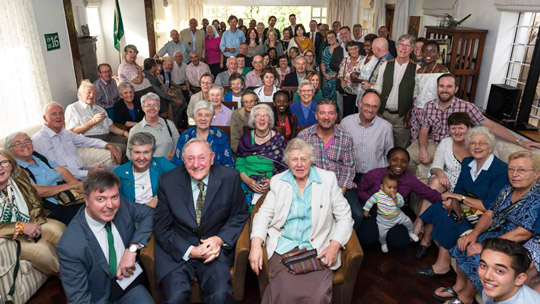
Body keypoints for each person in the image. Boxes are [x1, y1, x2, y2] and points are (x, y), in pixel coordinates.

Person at [249, 138, 354, 303]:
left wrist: (334, 245)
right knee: (284, 292)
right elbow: (263, 215)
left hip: (318, 248)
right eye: (294, 159)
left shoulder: (327, 179)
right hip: (284, 247)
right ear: (287, 162)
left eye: (303, 159)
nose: (299, 164)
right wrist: (256, 245)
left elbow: (345, 216)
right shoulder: (278, 181)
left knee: (317, 295)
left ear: (311, 160)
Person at [432, 151, 540, 303]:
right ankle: (458, 287)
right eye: (511, 169)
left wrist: (486, 246)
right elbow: (490, 213)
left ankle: (465, 297)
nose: (514, 174)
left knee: (481, 258)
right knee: (464, 243)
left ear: (536, 174)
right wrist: (474, 234)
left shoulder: (537, 197)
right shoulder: (508, 188)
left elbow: (522, 234)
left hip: (514, 243)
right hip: (496, 231)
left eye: (521, 170)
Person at [154, 138, 248, 303]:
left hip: (214, 252)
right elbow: (162, 227)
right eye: (190, 159)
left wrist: (219, 240)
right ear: (183, 161)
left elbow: (239, 214)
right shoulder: (167, 182)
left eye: (202, 158)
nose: (196, 164)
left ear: (212, 158)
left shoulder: (230, 177)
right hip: (178, 251)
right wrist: (190, 250)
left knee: (220, 294)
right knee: (176, 296)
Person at [418, 126, 510, 279]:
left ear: (490, 147)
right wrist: (454, 200)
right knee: (441, 207)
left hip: (485, 216)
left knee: (450, 217)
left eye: (482, 143)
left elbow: (489, 205)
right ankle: (436, 256)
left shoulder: (501, 169)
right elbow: (459, 188)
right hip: (466, 207)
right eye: (473, 143)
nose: (477, 147)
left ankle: (441, 264)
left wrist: (460, 199)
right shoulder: (468, 162)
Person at [407, 74, 540, 178]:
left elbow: (491, 127)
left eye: (449, 86)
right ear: (437, 88)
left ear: (456, 89)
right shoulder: (429, 106)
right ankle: (414, 185)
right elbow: (423, 132)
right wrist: (423, 149)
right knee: (407, 157)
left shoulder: (467, 107)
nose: (444, 90)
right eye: (441, 86)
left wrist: (520, 141)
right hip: (434, 143)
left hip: (457, 146)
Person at [57, 171, 154, 303]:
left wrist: (132, 249)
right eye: (100, 199)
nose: (110, 205)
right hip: (99, 298)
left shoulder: (121, 205)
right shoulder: (71, 245)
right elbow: (79, 300)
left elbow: (150, 214)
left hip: (128, 284)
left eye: (114, 197)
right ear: (86, 200)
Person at [357, 147, 442, 249]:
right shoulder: (375, 174)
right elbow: (360, 191)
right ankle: (379, 235)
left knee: (401, 243)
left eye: (403, 161)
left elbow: (428, 192)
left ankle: (384, 234)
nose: (399, 164)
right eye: (394, 160)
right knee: (367, 239)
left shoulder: (409, 179)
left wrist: (447, 199)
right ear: (388, 160)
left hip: (392, 215)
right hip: (372, 212)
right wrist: (376, 201)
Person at [297, 99, 362, 231]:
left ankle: (346, 247)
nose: (326, 117)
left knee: (357, 215)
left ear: (336, 116)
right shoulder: (304, 136)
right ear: (316, 116)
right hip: (312, 187)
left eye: (331, 113)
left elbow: (348, 168)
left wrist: (338, 194)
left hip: (339, 187)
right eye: (322, 113)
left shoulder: (346, 138)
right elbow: (299, 166)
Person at [0, 149, 65, 275]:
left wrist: (34, 223)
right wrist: (21, 227)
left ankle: (81, 266)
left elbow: (35, 201)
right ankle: (70, 279)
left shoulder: (19, 177)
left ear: (11, 164)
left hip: (30, 220)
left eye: (4, 162)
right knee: (41, 251)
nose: (0, 168)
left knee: (57, 229)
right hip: (7, 236)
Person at [414, 112, 471, 255]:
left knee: (438, 203)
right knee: (435, 181)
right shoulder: (446, 143)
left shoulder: (476, 145)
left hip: (466, 189)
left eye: (461, 128)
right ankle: (420, 222)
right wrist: (440, 173)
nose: (456, 132)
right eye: (453, 128)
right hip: (448, 181)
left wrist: (455, 196)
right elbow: (435, 166)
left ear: (469, 128)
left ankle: (425, 239)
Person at [6, 132, 84, 225]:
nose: (24, 145)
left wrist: (77, 186)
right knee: (84, 216)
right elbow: (37, 191)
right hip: (52, 204)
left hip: (69, 193)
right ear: (11, 150)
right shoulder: (16, 169)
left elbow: (62, 170)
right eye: (18, 143)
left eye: (27, 141)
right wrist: (70, 185)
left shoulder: (36, 155)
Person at [33, 103, 121, 179]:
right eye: (53, 114)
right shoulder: (41, 139)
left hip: (82, 170)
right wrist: (87, 173)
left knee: (120, 170)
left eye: (61, 113)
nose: (58, 116)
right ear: (45, 118)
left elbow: (86, 141)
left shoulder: (65, 132)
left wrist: (108, 145)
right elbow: (58, 169)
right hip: (70, 178)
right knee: (110, 179)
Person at [365, 34, 418, 148]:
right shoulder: (385, 65)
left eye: (407, 46)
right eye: (401, 45)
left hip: (402, 118)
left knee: (400, 148)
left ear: (412, 49)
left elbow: (416, 95)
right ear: (397, 46)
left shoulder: (416, 69)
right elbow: (378, 88)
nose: (403, 48)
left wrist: (409, 112)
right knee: (380, 145)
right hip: (383, 114)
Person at [236, 104, 287, 207]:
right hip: (247, 180)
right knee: (242, 208)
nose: (262, 119)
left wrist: (272, 181)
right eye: (258, 115)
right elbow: (239, 164)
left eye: (265, 116)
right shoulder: (245, 138)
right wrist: (248, 181)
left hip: (272, 181)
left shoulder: (278, 140)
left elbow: (285, 167)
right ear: (253, 119)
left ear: (270, 120)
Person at [341, 90, 393, 181]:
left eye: (374, 107)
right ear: (360, 104)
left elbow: (389, 155)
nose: (370, 110)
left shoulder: (386, 127)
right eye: (367, 105)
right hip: (350, 176)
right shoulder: (346, 123)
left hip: (376, 177)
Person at [114, 132, 176, 207]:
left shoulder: (161, 163)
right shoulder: (119, 172)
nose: (141, 158)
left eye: (146, 152)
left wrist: (160, 196)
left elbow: (181, 178)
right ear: (130, 153)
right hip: (132, 215)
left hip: (158, 213)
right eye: (137, 152)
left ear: (152, 153)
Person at [65, 81, 128, 152]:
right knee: (122, 148)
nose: (92, 95)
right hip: (89, 140)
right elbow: (71, 133)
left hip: (107, 136)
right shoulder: (73, 108)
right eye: (89, 92)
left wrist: (124, 132)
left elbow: (110, 126)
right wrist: (91, 122)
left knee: (131, 141)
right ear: (79, 95)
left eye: (94, 93)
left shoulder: (100, 109)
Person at [363, 174, 419, 252]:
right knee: (382, 234)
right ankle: (383, 243)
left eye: (395, 188)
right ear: (382, 187)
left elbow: (401, 204)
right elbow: (370, 201)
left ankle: (410, 233)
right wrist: (366, 210)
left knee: (409, 222)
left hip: (398, 216)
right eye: (389, 187)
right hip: (383, 221)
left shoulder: (398, 195)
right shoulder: (378, 195)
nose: (392, 190)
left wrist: (396, 199)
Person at [173, 101, 234, 168]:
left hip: (216, 177)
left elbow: (228, 163)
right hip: (189, 176)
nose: (203, 118)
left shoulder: (220, 136)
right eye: (199, 115)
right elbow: (177, 163)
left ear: (212, 118)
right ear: (194, 117)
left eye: (207, 115)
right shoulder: (185, 136)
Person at [410, 40, 449, 142]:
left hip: (433, 112)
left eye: (432, 51)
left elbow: (447, 94)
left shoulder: (442, 71)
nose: (428, 54)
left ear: (438, 54)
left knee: (430, 141)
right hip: (417, 111)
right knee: (415, 141)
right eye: (425, 51)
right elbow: (416, 92)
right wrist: (411, 110)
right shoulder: (419, 71)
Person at [481, 238, 540, 303]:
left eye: (499, 271)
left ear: (519, 279)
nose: (486, 276)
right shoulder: (493, 288)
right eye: (483, 266)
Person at [128, 93, 179, 160]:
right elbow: (129, 154)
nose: (152, 108)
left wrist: (170, 159)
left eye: (155, 105)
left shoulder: (169, 125)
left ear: (159, 107)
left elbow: (178, 145)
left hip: (170, 166)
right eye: (148, 105)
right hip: (147, 168)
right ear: (143, 108)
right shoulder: (136, 130)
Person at [338, 41, 364, 117]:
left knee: (358, 114)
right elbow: (341, 73)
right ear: (348, 51)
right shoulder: (345, 60)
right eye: (351, 49)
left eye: (355, 48)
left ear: (358, 48)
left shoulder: (364, 60)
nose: (353, 51)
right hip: (348, 91)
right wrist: (342, 81)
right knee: (347, 113)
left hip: (359, 92)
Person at [352, 33, 378, 103]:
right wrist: (356, 73)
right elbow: (362, 71)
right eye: (364, 46)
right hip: (360, 90)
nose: (365, 48)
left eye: (368, 46)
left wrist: (358, 80)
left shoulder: (377, 59)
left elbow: (375, 79)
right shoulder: (366, 56)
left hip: (370, 90)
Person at [321, 30, 339, 101]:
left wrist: (333, 75)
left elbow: (343, 65)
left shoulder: (341, 49)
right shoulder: (326, 49)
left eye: (332, 37)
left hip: (336, 77)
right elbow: (323, 62)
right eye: (328, 38)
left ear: (336, 37)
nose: (330, 39)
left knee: (336, 100)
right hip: (326, 77)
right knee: (326, 98)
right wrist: (325, 74)